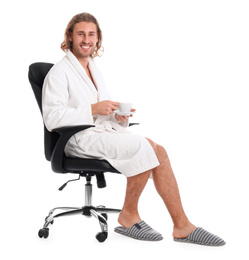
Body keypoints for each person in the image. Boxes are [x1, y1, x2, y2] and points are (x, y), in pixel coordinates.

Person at [42, 12, 225, 246]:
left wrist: (118, 117)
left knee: (159, 151)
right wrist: (94, 108)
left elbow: (100, 114)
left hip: (98, 133)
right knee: (143, 145)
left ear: (98, 39)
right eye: (80, 34)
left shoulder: (93, 69)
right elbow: (52, 118)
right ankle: (128, 215)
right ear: (70, 36)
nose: (86, 39)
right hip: (77, 140)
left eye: (91, 34)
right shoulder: (59, 72)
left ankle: (182, 226)